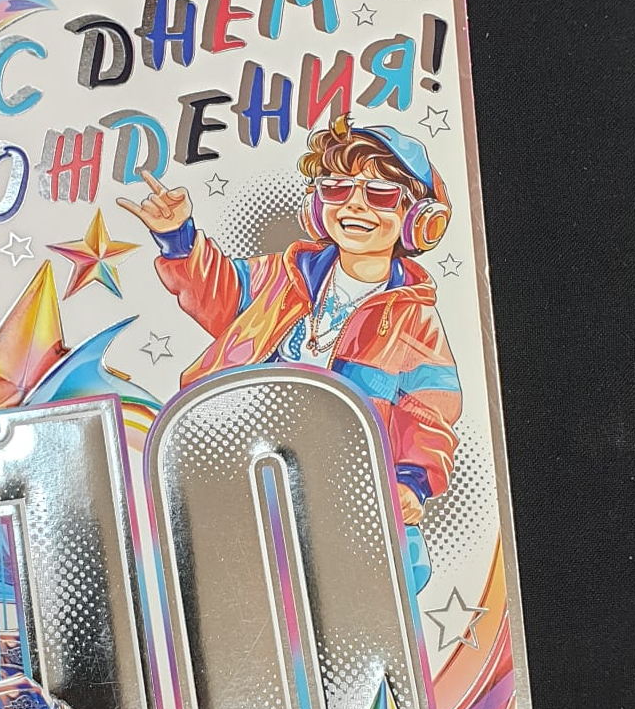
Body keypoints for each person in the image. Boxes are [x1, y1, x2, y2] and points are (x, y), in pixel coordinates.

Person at [117, 115, 460, 589]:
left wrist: (411, 481)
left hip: (341, 490)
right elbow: (219, 291)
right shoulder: (285, 275)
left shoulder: (414, 319)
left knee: (391, 567)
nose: (354, 205)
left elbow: (429, 414)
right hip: (244, 462)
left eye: (379, 194)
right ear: (318, 205)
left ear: (418, 219)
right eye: (337, 188)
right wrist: (178, 237)